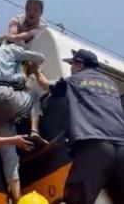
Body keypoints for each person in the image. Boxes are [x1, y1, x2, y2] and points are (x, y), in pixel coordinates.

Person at [32, 49, 124, 204]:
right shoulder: (113, 85)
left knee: (75, 200)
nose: (70, 68)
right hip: (122, 148)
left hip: (94, 147)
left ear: (80, 65)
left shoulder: (73, 81)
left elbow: (46, 86)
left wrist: (36, 72)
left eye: (72, 64)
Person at [0, 40, 45, 203]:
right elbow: (40, 57)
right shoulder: (11, 49)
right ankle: (34, 132)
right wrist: (28, 60)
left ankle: (16, 197)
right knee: (33, 96)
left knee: (10, 154)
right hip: (4, 95)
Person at [6, 0, 47, 140]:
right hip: (11, 57)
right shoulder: (16, 19)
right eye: (29, 9)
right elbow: (11, 35)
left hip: (26, 62)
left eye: (36, 10)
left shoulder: (42, 27)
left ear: (40, 13)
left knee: (31, 94)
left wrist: (18, 40)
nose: (32, 12)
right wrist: (17, 41)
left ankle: (34, 131)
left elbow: (27, 34)